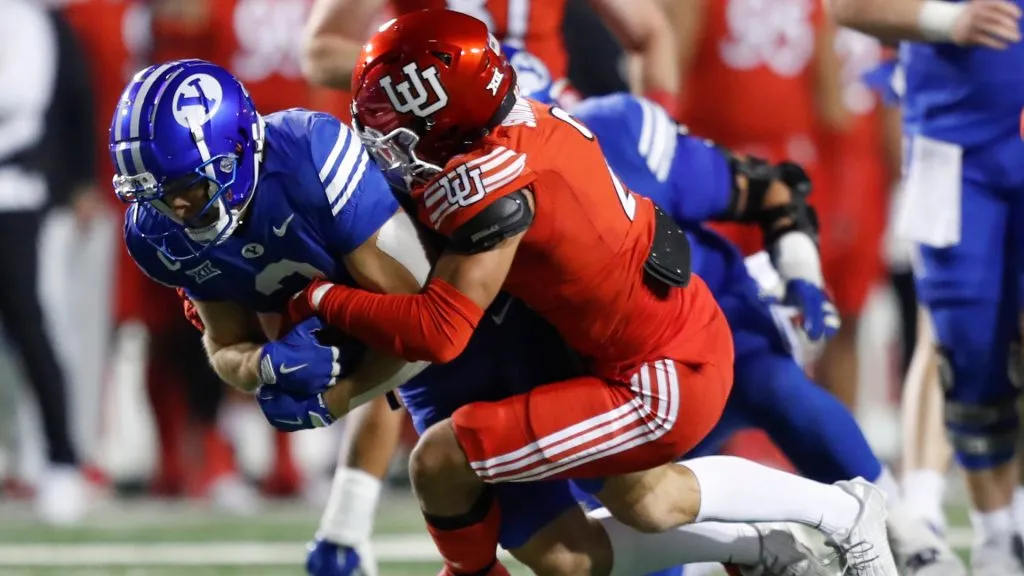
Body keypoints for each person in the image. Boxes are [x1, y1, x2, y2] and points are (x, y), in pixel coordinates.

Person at [284, 9, 899, 576]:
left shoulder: (491, 183)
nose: (390, 146)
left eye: (410, 127)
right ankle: (776, 544)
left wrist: (318, 299)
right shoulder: (526, 131)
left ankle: (848, 512)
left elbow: (438, 329)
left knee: (442, 460)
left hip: (656, 371)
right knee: (637, 509)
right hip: (617, 349)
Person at [832, 0, 1024, 573]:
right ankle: (989, 530)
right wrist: (946, 20)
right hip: (954, 150)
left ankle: (1000, 519)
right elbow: (846, 7)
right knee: (961, 338)